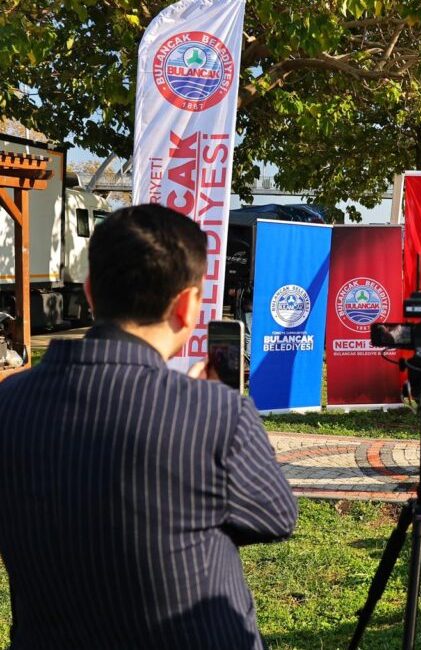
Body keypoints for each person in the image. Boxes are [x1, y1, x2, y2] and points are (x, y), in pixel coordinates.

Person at [0, 204, 297, 649]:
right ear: (188, 306)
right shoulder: (215, 412)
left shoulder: (8, 401)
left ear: (91, 292)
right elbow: (276, 516)